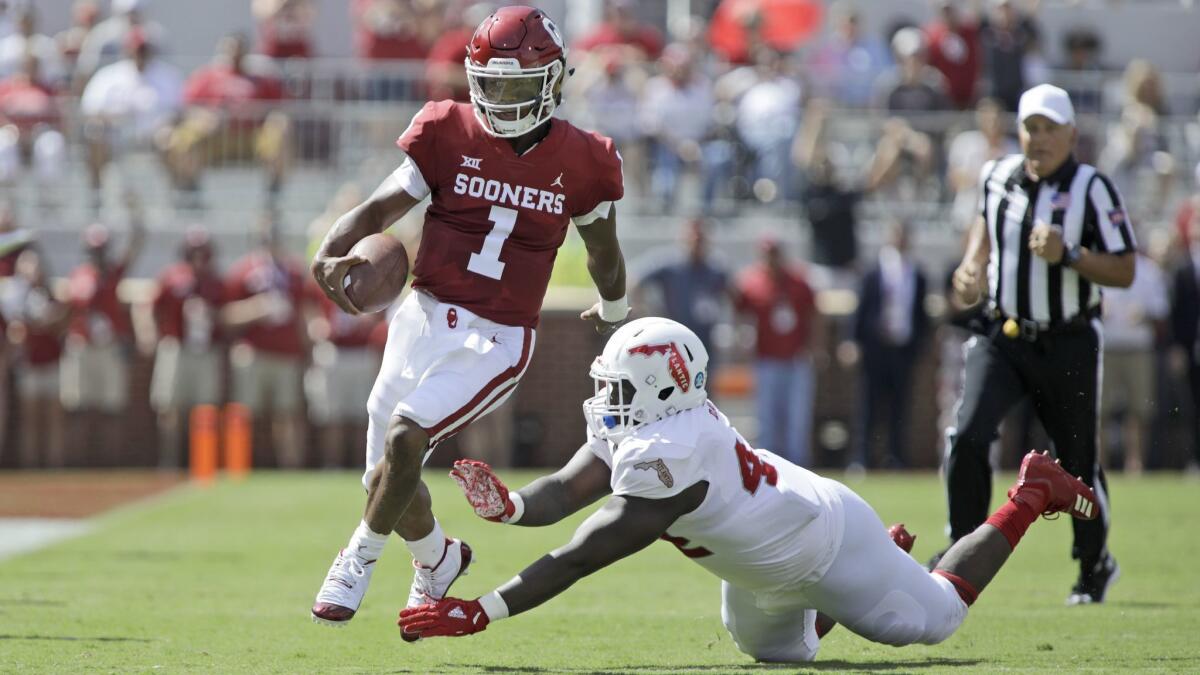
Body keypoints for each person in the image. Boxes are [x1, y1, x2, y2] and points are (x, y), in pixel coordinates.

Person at [398, 317, 1101, 664]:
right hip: (768, 555)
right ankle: (857, 585)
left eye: (618, 388)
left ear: (660, 388)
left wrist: (483, 611)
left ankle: (1033, 493)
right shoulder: (656, 422)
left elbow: (584, 553)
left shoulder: (673, 451)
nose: (604, 400)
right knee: (775, 654)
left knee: (935, 619)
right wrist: (514, 507)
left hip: (824, 540)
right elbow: (571, 486)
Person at [308, 6, 628, 635]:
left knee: (406, 438)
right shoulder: (446, 129)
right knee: (385, 480)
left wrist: (615, 311)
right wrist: (328, 251)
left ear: (554, 80)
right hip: (421, 316)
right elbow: (376, 210)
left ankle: (357, 559)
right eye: (492, 84)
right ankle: (439, 558)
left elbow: (604, 253)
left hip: (497, 336)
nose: (501, 100)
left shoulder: (584, 157)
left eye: (517, 85)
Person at [940, 84, 1135, 604]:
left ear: (1072, 134)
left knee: (1077, 464)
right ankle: (960, 553)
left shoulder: (1093, 188)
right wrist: (972, 265)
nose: (1039, 138)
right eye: (1031, 127)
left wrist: (1068, 254)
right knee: (968, 434)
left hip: (1068, 340)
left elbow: (1125, 269)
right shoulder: (996, 174)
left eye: (1050, 128)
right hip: (1003, 333)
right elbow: (985, 221)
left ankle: (1094, 565)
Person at [223, 216, 318, 469]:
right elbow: (226, 316)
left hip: (287, 354)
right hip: (253, 353)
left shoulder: (295, 272)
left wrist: (308, 350)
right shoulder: (243, 270)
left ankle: (291, 467)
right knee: (244, 413)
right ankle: (238, 465)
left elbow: (305, 314)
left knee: (288, 415)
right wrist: (257, 310)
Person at [61, 196, 146, 464]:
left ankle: (110, 464)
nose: (97, 255)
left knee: (112, 410)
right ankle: (76, 464)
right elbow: (70, 309)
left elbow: (136, 244)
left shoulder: (113, 272)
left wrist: (135, 215)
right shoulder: (78, 275)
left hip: (109, 349)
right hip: (83, 346)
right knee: (77, 409)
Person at [733, 238, 820, 467]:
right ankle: (768, 468)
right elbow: (740, 312)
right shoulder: (752, 281)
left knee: (797, 419)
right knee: (767, 419)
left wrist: (814, 347)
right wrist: (743, 340)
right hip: (766, 359)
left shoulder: (798, 282)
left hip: (796, 359)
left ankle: (799, 465)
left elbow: (814, 315)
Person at [852, 220, 928, 469]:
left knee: (900, 407)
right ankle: (863, 458)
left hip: (902, 347)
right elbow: (862, 309)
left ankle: (895, 457)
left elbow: (920, 314)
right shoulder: (874, 271)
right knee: (869, 405)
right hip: (876, 347)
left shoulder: (916, 273)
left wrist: (919, 346)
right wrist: (854, 342)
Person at [148, 227, 226, 469]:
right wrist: (152, 336)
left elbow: (227, 316)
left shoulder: (215, 281)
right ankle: (169, 461)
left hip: (206, 350)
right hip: (176, 347)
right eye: (194, 252)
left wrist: (211, 315)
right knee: (170, 408)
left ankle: (204, 461)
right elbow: (150, 307)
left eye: (203, 252)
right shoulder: (171, 277)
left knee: (205, 410)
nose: (199, 257)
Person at [633, 217, 727, 370]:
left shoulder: (715, 270)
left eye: (701, 240)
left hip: (704, 339)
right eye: (694, 240)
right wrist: (645, 312)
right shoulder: (670, 264)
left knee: (703, 385)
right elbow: (635, 281)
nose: (697, 245)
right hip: (674, 339)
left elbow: (731, 293)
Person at [1170, 209, 1200, 470]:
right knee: (1193, 405)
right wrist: (1177, 347)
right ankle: (1195, 459)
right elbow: (1176, 311)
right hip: (1193, 347)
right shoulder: (1182, 268)